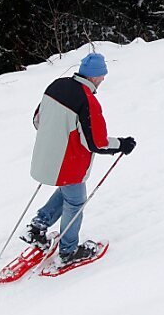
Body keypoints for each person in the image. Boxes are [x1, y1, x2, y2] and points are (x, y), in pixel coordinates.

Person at [23, 52, 136, 263]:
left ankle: (38, 227)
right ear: (94, 77)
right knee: (76, 202)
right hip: (68, 163)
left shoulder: (56, 85)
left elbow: (38, 120)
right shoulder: (88, 100)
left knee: (68, 192)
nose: (103, 80)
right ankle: (68, 251)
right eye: (102, 76)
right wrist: (122, 144)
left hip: (45, 156)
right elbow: (97, 142)